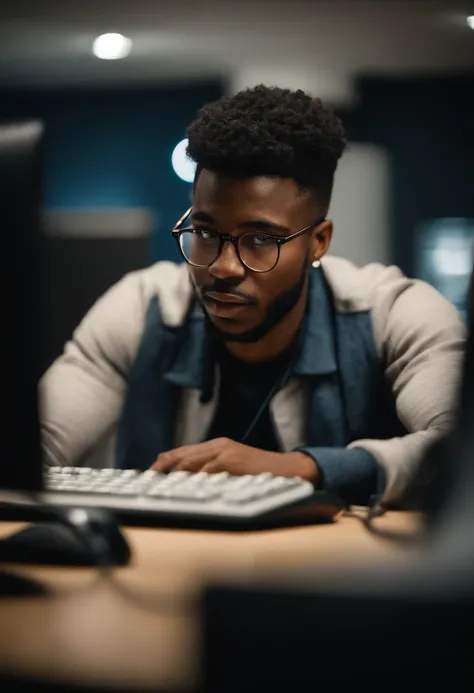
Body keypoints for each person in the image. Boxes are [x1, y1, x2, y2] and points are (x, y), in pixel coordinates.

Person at [39, 85, 466, 507]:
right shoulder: (142, 305)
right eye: (205, 233)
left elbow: (460, 453)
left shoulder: (393, 313)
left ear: (318, 241)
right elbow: (35, 444)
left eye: (261, 239)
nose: (223, 267)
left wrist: (300, 469)